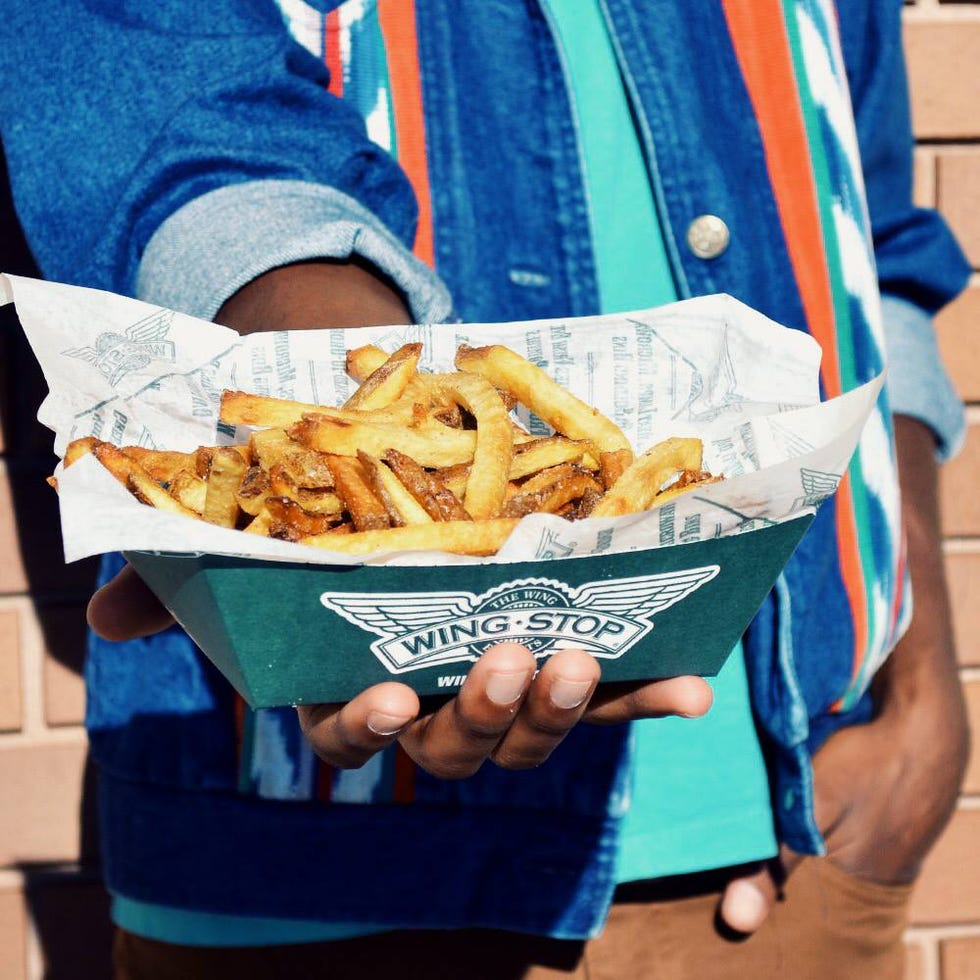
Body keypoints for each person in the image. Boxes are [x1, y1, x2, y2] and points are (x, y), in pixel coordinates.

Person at [0, 0, 970, 976]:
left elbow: (869, 236)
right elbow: (178, 133)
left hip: (801, 857)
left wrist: (923, 682)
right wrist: (364, 452)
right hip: (316, 888)